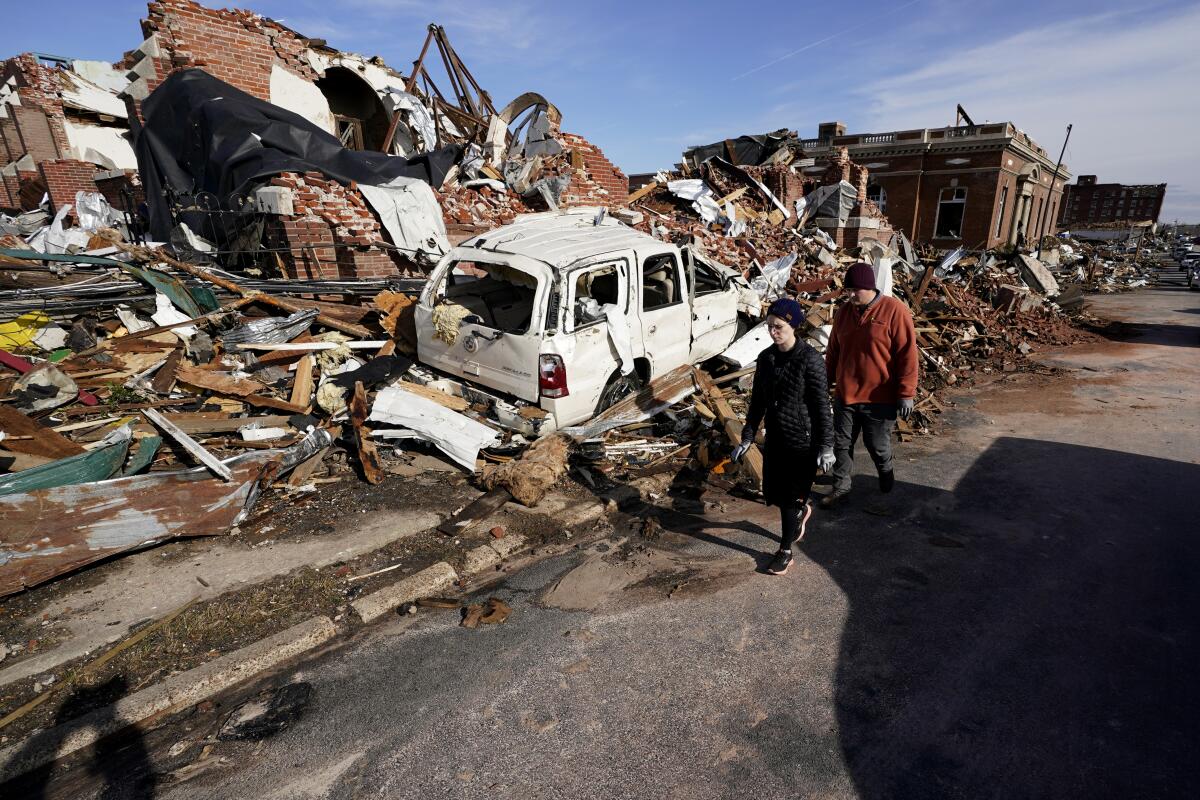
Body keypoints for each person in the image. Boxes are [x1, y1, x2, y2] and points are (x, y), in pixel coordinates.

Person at [732, 297, 834, 576]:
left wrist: (826, 446)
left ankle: (785, 551)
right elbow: (757, 403)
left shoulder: (810, 360)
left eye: (778, 327)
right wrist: (748, 437)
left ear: (793, 325)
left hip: (802, 442)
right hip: (776, 437)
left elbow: (821, 407)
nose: (773, 332)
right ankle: (800, 511)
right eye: (769, 327)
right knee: (773, 494)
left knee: (788, 499)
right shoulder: (766, 358)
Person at [821, 262, 918, 508]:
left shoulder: (895, 311)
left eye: (856, 290)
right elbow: (833, 351)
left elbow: (907, 354)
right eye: (848, 290)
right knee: (842, 444)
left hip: (880, 397)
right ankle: (841, 488)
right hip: (846, 394)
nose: (851, 295)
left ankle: (886, 469)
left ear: (870, 287)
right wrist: (824, 381)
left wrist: (906, 393)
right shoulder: (844, 312)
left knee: (877, 445)